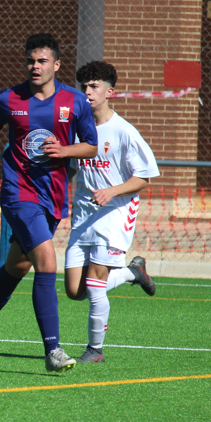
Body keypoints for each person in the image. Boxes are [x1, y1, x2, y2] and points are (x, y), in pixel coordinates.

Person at [0, 33, 98, 372]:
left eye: (41, 61)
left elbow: (91, 146)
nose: (34, 66)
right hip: (18, 191)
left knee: (18, 266)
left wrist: (65, 151)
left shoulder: (74, 101)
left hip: (53, 193)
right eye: (30, 60)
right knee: (46, 261)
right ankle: (53, 351)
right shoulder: (10, 98)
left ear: (56, 64)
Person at [63, 61, 159, 363]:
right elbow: (70, 168)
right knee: (73, 290)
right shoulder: (77, 129)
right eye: (85, 87)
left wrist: (112, 191)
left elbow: (143, 177)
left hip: (114, 216)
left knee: (94, 285)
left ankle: (95, 350)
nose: (88, 92)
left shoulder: (124, 132)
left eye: (94, 86)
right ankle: (133, 272)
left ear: (110, 91)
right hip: (82, 217)